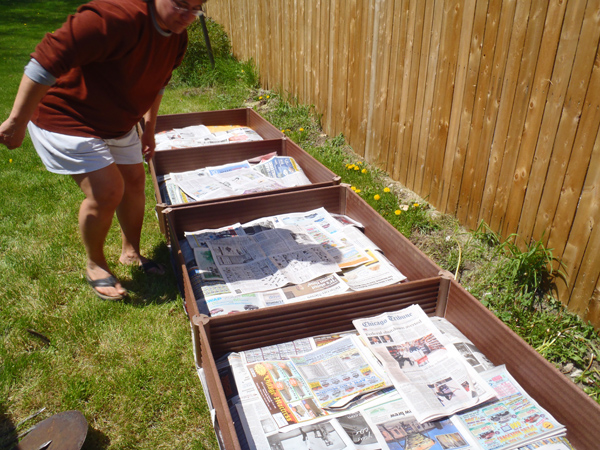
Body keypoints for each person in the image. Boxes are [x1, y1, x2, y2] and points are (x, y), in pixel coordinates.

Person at [0, 0, 205, 300]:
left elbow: (159, 83)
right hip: (66, 115)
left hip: (116, 120)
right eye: (180, 4)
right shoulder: (114, 18)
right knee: (108, 190)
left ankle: (131, 253)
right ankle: (95, 264)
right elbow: (44, 60)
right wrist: (16, 122)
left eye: (196, 8)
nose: (188, 16)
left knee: (135, 181)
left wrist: (148, 129)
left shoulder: (177, 37)